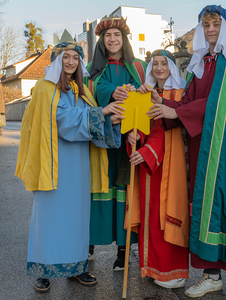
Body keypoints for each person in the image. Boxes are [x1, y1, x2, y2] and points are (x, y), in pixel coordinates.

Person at [147, 5, 226, 300]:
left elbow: (221, 105)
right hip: (204, 146)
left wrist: (179, 113)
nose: (210, 30)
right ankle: (212, 275)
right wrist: (162, 102)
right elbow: (187, 103)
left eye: (215, 24)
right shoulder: (200, 63)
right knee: (205, 209)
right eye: (206, 25)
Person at [15, 41, 123, 293]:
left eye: (76, 57)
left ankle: (77, 267)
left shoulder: (80, 90)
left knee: (76, 219)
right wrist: (101, 113)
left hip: (78, 169)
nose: (71, 62)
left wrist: (109, 119)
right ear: (56, 60)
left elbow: (90, 123)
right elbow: (63, 120)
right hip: (51, 166)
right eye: (66, 57)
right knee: (49, 220)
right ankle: (44, 270)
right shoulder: (44, 88)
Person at [84, 15, 147, 270]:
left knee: (124, 189)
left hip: (127, 140)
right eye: (107, 35)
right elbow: (89, 92)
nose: (112, 39)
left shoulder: (140, 67)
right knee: (96, 188)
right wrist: (111, 90)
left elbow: (144, 97)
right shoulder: (89, 69)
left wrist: (132, 93)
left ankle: (123, 250)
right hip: (98, 141)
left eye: (117, 35)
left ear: (124, 39)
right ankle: (87, 245)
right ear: (102, 40)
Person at [127, 49, 190, 288]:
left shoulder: (180, 94)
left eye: (164, 64)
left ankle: (174, 272)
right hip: (150, 165)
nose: (159, 68)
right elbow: (142, 125)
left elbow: (168, 128)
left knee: (170, 213)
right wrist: (134, 140)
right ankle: (154, 268)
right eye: (155, 64)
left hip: (170, 164)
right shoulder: (145, 94)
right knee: (151, 215)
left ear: (172, 68)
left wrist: (146, 151)